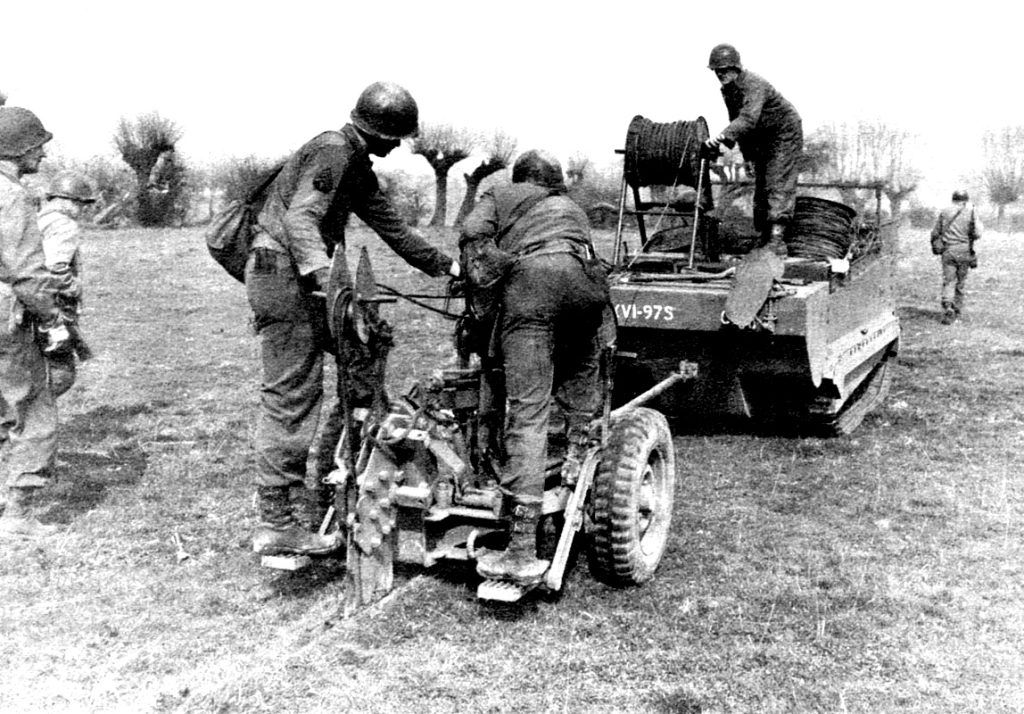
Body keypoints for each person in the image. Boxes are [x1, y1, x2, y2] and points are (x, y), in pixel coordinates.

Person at [247, 81, 460, 557]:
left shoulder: (355, 165)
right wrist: (325, 278)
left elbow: (394, 229)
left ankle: (355, 461)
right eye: (398, 138)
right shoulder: (333, 152)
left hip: (303, 278)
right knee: (292, 392)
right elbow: (301, 219)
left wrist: (447, 266)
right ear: (383, 133)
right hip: (286, 276)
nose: (398, 147)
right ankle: (276, 520)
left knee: (366, 350)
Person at [459, 150, 608, 585]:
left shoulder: (502, 193)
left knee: (528, 410)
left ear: (521, 178)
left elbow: (471, 231)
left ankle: (522, 545)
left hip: (534, 288)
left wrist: (481, 275)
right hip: (586, 287)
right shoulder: (571, 208)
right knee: (581, 375)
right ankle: (581, 464)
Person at [0, 107, 67, 538]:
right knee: (33, 406)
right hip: (6, 313)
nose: (42, 155)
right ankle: (19, 513)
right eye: (36, 146)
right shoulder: (11, 195)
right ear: (18, 149)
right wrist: (53, 319)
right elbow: (25, 268)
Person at [702, 43, 803, 256]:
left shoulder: (754, 84)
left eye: (725, 69)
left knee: (777, 181)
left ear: (736, 68)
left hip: (784, 134)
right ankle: (765, 236)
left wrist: (723, 136)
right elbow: (738, 121)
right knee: (760, 185)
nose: (720, 74)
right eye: (717, 71)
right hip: (761, 136)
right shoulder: (729, 90)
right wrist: (747, 156)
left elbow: (747, 119)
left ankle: (776, 241)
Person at [37, 171, 100, 396]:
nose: (82, 210)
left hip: (28, 300)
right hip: (52, 306)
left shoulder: (39, 218)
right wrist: (73, 289)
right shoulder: (64, 225)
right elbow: (56, 267)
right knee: (61, 373)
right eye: (81, 204)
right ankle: (26, 423)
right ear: (67, 201)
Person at [931, 189, 982, 324]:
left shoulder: (945, 211)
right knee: (960, 282)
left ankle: (948, 306)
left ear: (953, 199)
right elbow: (977, 233)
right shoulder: (971, 212)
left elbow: (935, 232)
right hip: (964, 250)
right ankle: (957, 308)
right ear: (965, 199)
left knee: (948, 281)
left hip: (948, 250)